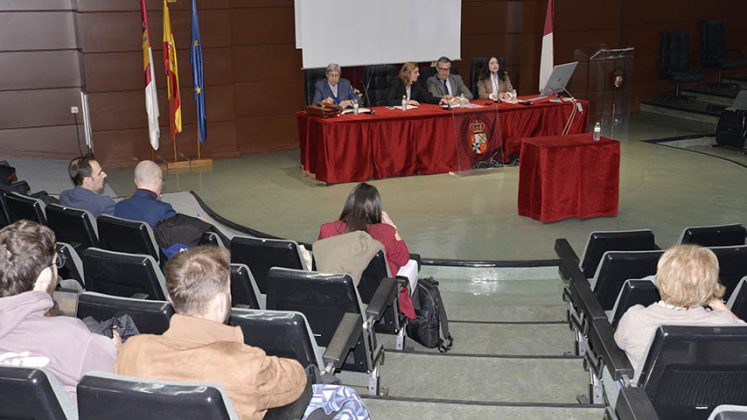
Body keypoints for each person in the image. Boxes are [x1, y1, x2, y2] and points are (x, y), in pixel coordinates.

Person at [116, 246, 308, 420]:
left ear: (171, 299)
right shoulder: (245, 364)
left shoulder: (132, 350)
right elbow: (298, 378)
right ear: (221, 301)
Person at [0, 220, 117, 398]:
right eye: (56, 263)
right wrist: (114, 349)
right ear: (45, 275)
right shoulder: (71, 338)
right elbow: (118, 388)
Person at [614, 244, 744, 372]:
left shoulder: (635, 318)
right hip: (709, 386)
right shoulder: (723, 324)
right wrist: (722, 308)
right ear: (711, 285)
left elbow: (619, 342)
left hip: (649, 387)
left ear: (659, 279)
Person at [318, 183, 415, 319]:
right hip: (380, 303)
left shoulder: (327, 230)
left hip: (339, 300)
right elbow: (403, 258)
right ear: (376, 209)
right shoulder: (385, 232)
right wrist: (392, 226)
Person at [114, 160, 176, 228]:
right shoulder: (163, 210)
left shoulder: (119, 206)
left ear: (135, 181)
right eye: (162, 179)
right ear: (157, 180)